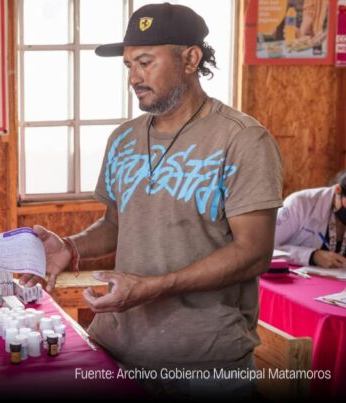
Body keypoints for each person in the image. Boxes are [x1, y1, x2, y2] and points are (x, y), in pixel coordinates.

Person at [19, 3, 283, 399]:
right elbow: (116, 224)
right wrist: (70, 247)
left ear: (190, 59)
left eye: (145, 62)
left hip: (204, 367)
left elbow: (254, 252)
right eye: (129, 65)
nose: (133, 77)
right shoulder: (123, 139)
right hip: (114, 350)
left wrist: (155, 287)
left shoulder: (242, 139)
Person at [275, 171, 346, 268]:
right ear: (338, 190)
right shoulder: (299, 203)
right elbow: (267, 247)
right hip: (293, 274)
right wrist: (311, 256)